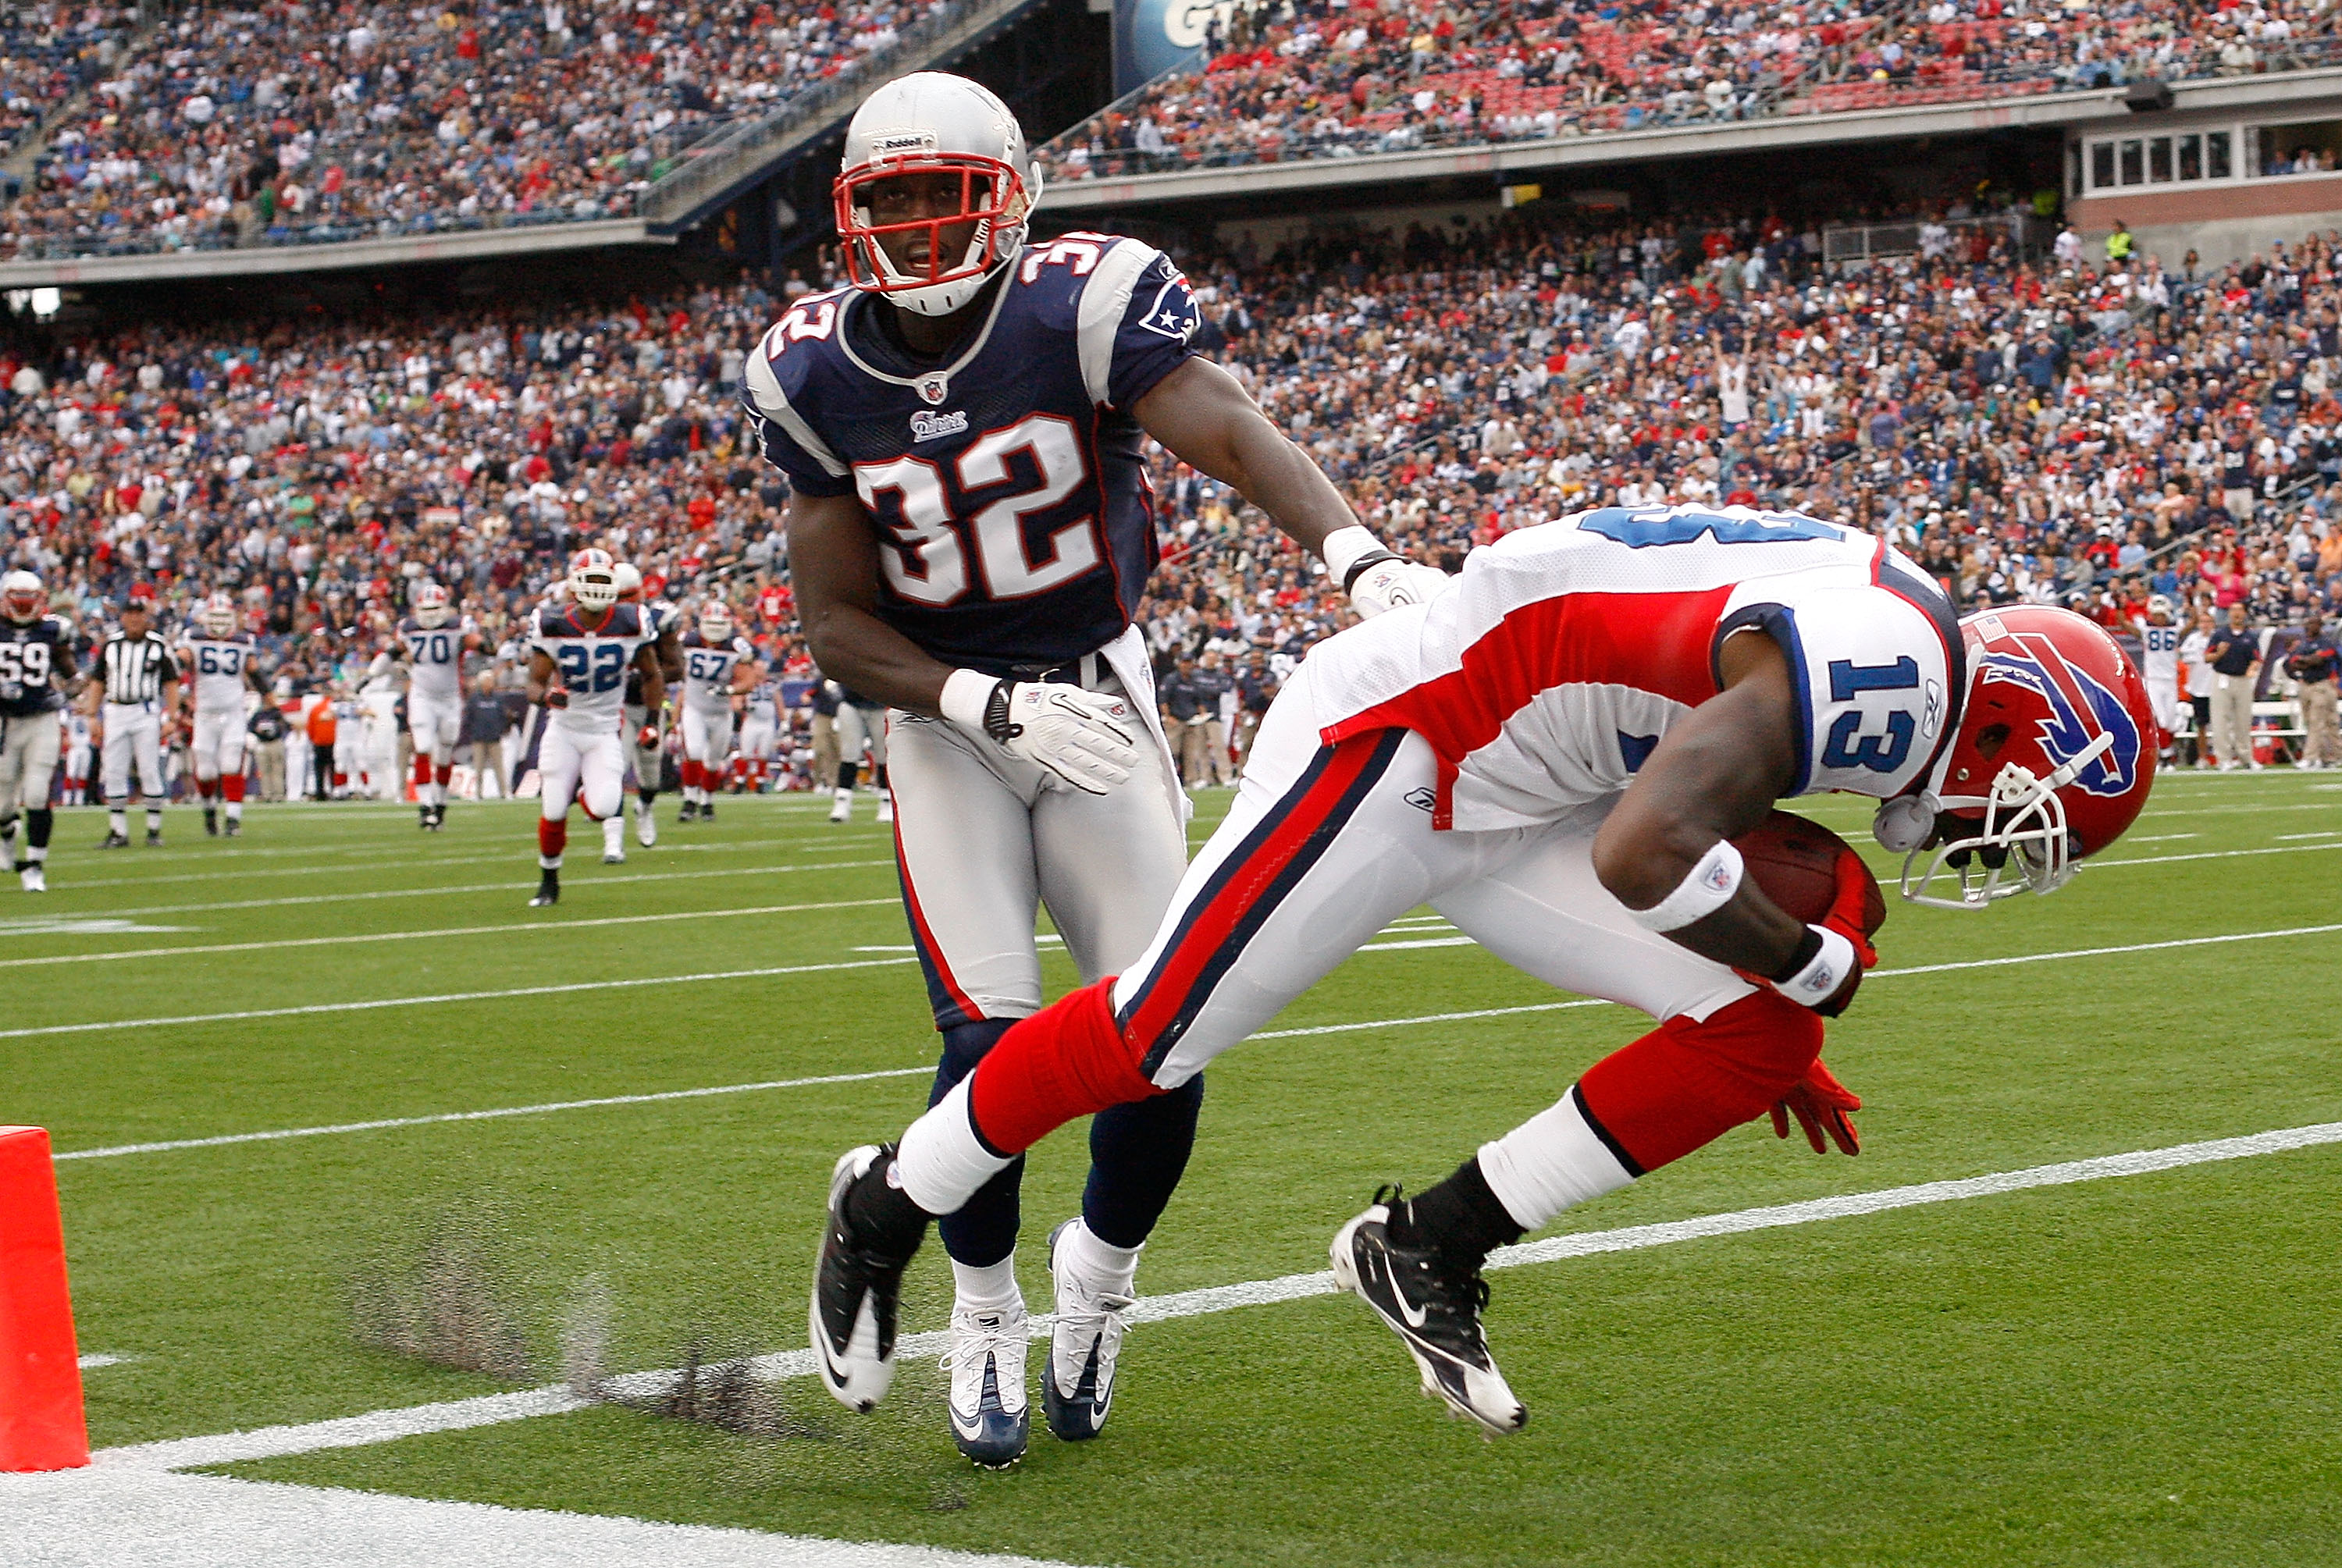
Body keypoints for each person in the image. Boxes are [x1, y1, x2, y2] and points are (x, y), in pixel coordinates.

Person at [811, 507, 2156, 1438]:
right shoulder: (1900, 673)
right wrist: (1803, 959)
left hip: (1540, 773)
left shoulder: (1903, 631)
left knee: (1763, 1032)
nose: (1996, 841)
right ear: (2009, 720)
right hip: (1412, 736)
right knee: (1155, 1034)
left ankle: (1428, 1242)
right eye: (2029, 810)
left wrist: (1778, 992)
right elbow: (1646, 852)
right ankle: (887, 1200)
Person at [768, 72, 1438, 1468]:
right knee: (988, 1039)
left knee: (1164, 1034)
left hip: (1098, 699)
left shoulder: (1082, 301)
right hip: (948, 719)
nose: (916, 229)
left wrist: (1357, 557)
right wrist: (974, 698)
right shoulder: (813, 366)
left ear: (1011, 198)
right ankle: (984, 1301)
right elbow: (835, 623)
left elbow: (1230, 425)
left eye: (942, 198)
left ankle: (1102, 1278)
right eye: (887, 201)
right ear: (849, 213)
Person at [524, 548, 667, 905]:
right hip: (564, 727)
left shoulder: (631, 620)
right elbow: (533, 684)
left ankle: (585, 790)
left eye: (605, 580)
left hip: (604, 728)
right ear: (575, 584)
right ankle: (549, 879)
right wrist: (546, 697)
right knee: (554, 809)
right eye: (593, 580)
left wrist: (652, 721)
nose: (599, 588)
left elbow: (652, 674)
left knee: (605, 806)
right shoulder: (553, 622)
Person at [0, 571, 77, 888]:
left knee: (36, 793)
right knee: (2, 802)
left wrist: (71, 691)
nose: (23, 603)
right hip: (4, 721)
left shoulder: (53, 630)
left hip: (42, 718)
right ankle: (7, 838)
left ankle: (34, 865)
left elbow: (71, 672)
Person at [90, 587, 180, 848]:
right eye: (129, 614)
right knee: (114, 769)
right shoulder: (111, 645)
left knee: (149, 768)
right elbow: (98, 681)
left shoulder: (158, 645)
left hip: (145, 710)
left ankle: (154, 830)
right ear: (122, 617)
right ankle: (118, 831)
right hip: (116, 709)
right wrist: (91, 715)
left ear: (146, 617)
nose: (134, 619)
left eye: (138, 614)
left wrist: (172, 717)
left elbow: (171, 683)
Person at [177, 592, 264, 837]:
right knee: (205, 770)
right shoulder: (193, 638)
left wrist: (267, 698)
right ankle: (209, 810)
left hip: (233, 711)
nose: (220, 622)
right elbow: (181, 661)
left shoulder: (243, 640)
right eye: (215, 616)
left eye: (224, 616)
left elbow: (254, 672)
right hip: (205, 713)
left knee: (231, 763)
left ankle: (233, 819)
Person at [387, 582, 468, 830]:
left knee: (444, 754)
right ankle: (425, 806)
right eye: (427, 608)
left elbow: (476, 642)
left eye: (435, 608)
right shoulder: (409, 629)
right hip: (422, 695)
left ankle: (440, 806)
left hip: (450, 697)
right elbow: (392, 652)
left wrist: (484, 645)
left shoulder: (458, 626)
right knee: (422, 747)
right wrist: (370, 675)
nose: (431, 613)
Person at [614, 562, 684, 848]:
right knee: (614, 766)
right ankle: (613, 839)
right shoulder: (597, 621)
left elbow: (677, 668)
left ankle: (644, 808)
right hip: (615, 706)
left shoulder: (658, 619)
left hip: (651, 706)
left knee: (651, 774)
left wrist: (646, 675)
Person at [677, 600, 756, 820]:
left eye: (719, 624)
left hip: (721, 712)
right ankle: (690, 800)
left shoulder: (736, 647)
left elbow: (748, 680)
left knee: (713, 760)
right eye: (711, 623)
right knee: (693, 752)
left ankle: (707, 802)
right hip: (695, 708)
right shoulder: (689, 641)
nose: (715, 629)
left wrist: (729, 689)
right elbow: (675, 666)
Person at [2205, 603, 2262, 770]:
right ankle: (2223, 758)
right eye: (2234, 610)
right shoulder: (2220, 635)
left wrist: (2252, 668)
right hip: (2222, 678)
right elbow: (2207, 657)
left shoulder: (2250, 636)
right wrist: (2219, 653)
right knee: (2220, 720)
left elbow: (2256, 658)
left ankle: (2246, 757)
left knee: (2243, 720)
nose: (2237, 614)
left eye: (2240, 610)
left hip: (2243, 679)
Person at [828, 684, 890, 824]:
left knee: (883, 755)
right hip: (851, 702)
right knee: (849, 753)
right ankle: (842, 801)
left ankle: (886, 800)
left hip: (880, 704)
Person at [2287, 613, 2340, 767]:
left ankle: (2310, 757)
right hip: (2306, 685)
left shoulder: (2326, 642)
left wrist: (2306, 660)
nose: (2310, 627)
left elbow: (2320, 659)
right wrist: (2309, 660)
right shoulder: (2302, 644)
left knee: (2320, 721)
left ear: (2320, 626)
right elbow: (2293, 662)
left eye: (2314, 624)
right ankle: (2329, 757)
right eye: (2308, 623)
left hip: (2321, 685)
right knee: (2314, 723)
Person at [2137, 594, 2182, 765]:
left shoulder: (2175, 629)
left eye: (2161, 615)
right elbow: (2126, 625)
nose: (2159, 618)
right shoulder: (2146, 630)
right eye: (2156, 615)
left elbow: (2190, 625)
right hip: (2154, 679)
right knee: (2161, 718)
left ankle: (2167, 753)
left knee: (2171, 721)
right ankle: (2166, 756)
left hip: (2170, 679)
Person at [461, 670, 512, 797]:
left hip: (495, 738)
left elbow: (503, 715)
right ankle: (478, 793)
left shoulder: (498, 698)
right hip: (478, 739)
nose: (491, 683)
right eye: (488, 680)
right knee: (478, 768)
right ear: (482, 682)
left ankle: (504, 792)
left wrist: (500, 729)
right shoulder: (474, 698)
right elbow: (468, 717)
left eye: (492, 680)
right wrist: (473, 731)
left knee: (499, 767)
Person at [2180, 608, 2214, 766]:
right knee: (2201, 725)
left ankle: (2224, 756)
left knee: (2222, 724)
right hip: (2198, 687)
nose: (2205, 625)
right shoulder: (2192, 639)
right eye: (2202, 622)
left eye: (2208, 622)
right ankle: (2202, 757)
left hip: (2216, 687)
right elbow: (2182, 655)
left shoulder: (2218, 638)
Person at [248, 698, 290, 803]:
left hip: (275, 743)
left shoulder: (276, 713)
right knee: (263, 771)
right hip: (263, 744)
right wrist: (257, 730)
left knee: (277, 770)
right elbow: (250, 727)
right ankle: (267, 794)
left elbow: (284, 726)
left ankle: (279, 794)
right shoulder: (258, 715)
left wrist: (275, 727)